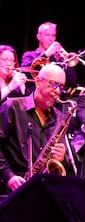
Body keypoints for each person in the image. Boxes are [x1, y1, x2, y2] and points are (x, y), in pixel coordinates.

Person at [0, 63, 71, 196]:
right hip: (12, 190)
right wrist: (9, 176)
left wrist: (62, 158)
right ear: (38, 82)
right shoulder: (12, 107)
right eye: (53, 84)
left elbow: (63, 166)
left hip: (42, 192)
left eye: (61, 87)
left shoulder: (60, 118)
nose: (57, 91)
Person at [21, 21, 78, 92]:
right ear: (38, 37)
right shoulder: (29, 55)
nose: (51, 39)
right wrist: (46, 54)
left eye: (53, 35)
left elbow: (72, 83)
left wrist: (67, 61)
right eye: (47, 35)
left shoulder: (58, 59)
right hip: (35, 97)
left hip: (56, 99)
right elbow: (26, 73)